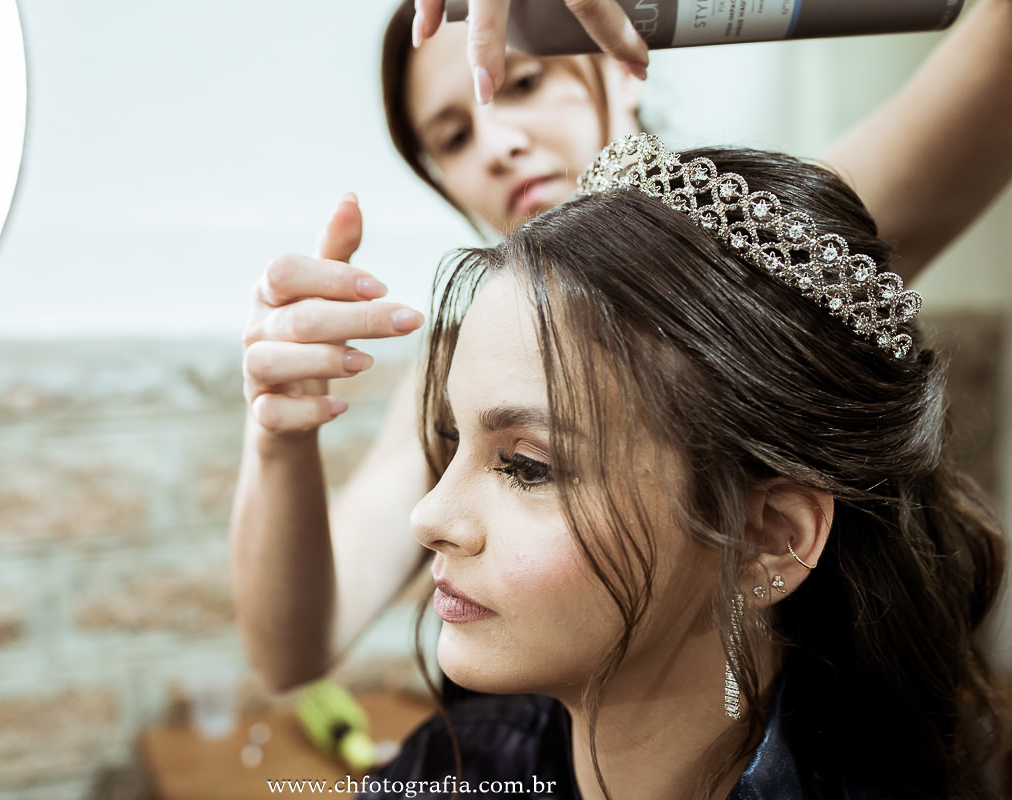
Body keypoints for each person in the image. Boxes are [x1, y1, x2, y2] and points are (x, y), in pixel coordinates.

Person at [230, 0, 1012, 691]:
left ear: (623, 57)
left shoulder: (775, 248)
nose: (497, 143)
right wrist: (277, 438)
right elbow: (292, 652)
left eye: (524, 81)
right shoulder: (466, 368)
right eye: (455, 134)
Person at [357, 135, 1008, 799]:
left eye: (527, 468)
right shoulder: (449, 769)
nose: (429, 516)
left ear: (769, 538)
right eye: (452, 438)